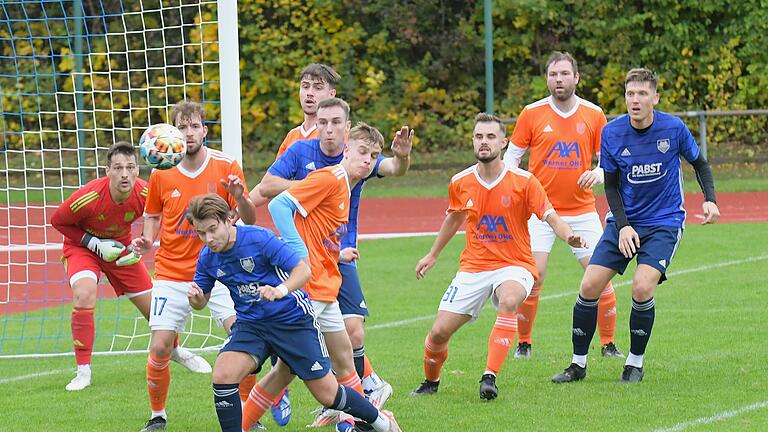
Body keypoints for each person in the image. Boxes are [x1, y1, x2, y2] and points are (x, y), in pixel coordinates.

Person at [246, 97, 412, 426]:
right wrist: (299, 255)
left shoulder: (346, 186)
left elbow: (320, 236)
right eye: (363, 153)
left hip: (326, 286)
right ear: (347, 150)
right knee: (285, 373)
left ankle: (353, 423)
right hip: (307, 291)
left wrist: (333, 254)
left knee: (345, 359)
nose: (368, 161)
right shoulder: (328, 179)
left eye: (374, 156)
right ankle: (241, 423)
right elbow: (279, 205)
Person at [551, 68, 719, 384]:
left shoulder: (674, 128)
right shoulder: (612, 133)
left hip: (664, 223)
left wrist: (710, 199)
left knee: (642, 287)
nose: (635, 100)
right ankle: (577, 364)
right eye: (630, 94)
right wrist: (625, 226)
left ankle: (634, 363)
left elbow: (700, 164)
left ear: (655, 97)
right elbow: (611, 187)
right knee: (589, 286)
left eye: (642, 94)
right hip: (624, 223)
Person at [184, 194, 400, 432]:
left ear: (228, 220)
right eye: (201, 233)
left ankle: (382, 422)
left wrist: (280, 290)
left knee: (328, 395)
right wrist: (196, 299)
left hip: (292, 320)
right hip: (251, 325)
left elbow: (303, 270)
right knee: (223, 374)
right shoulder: (207, 257)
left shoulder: (259, 239)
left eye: (213, 229)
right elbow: (200, 300)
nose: (208, 239)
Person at [411, 113, 586, 400]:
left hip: (515, 265)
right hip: (474, 267)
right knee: (439, 332)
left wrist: (569, 236)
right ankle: (431, 382)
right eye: (479, 136)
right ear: (472, 141)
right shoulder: (460, 181)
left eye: (491, 137)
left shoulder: (524, 181)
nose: (484, 142)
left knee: (509, 300)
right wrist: (432, 255)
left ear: (503, 142)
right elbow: (454, 218)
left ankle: (489, 377)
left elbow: (551, 217)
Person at [131, 100, 257, 431]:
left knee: (241, 335)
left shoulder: (227, 166)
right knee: (160, 345)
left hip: (221, 269)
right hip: (172, 271)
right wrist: (146, 238)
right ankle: (158, 416)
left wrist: (242, 198)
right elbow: (154, 214)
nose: (188, 132)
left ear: (204, 129)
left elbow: (250, 217)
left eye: (194, 125)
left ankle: (250, 414)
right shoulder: (161, 172)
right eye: (182, 127)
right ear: (173, 132)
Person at [51, 142, 207, 391]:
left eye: (130, 167)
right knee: (84, 293)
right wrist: (93, 243)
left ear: (137, 171)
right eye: (118, 168)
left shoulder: (145, 194)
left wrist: (139, 246)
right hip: (82, 248)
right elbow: (57, 220)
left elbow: (157, 218)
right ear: (107, 171)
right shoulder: (90, 196)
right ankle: (83, 372)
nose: (124, 174)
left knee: (157, 309)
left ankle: (175, 350)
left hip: (120, 249)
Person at [503, 51, 623, 359]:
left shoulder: (594, 114)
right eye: (554, 74)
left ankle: (608, 344)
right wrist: (519, 188)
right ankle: (524, 343)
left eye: (565, 74)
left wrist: (596, 174)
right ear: (547, 79)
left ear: (576, 77)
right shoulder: (531, 113)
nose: (559, 79)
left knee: (600, 273)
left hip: (583, 211)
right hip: (540, 212)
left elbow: (608, 160)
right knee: (534, 275)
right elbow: (511, 158)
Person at [276, 63, 340, 158]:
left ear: (331, 94)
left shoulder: (338, 134)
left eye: (317, 88)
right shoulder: (291, 136)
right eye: (305, 87)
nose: (309, 93)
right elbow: (275, 173)